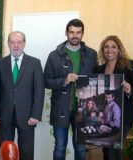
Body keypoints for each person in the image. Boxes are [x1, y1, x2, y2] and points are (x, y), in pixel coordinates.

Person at [44, 19, 97, 160]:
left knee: (80, 149)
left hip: (84, 109)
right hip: (61, 108)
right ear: (66, 33)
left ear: (82, 34)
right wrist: (64, 81)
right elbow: (46, 81)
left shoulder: (92, 54)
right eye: (72, 32)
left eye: (78, 32)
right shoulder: (54, 55)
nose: (75, 35)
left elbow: (98, 79)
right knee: (60, 148)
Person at [0, 31, 44, 160]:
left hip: (27, 116)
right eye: (12, 42)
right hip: (5, 116)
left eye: (19, 42)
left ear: (24, 44)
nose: (16, 45)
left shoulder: (34, 63)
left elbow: (39, 91)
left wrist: (36, 115)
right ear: (8, 44)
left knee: (26, 152)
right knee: (5, 151)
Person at [95, 35, 133, 160]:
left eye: (113, 47)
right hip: (106, 116)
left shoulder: (129, 66)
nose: (109, 50)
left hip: (124, 117)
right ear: (102, 50)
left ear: (119, 50)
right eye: (106, 47)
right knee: (106, 150)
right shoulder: (99, 69)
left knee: (113, 152)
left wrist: (129, 89)